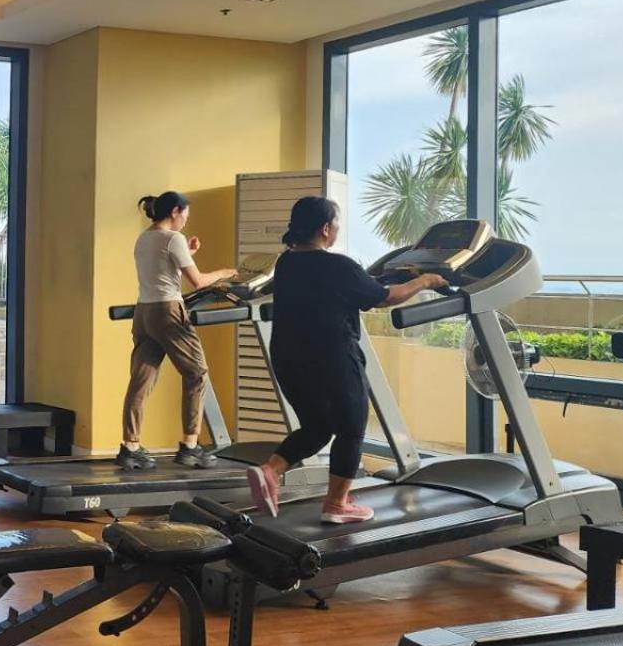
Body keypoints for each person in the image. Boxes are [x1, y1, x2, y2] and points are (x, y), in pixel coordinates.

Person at [245, 196, 446, 525]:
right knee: (352, 427)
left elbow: (351, 287)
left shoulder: (287, 263)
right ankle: (337, 504)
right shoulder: (338, 265)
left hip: (288, 356)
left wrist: (382, 280)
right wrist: (425, 280)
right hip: (331, 355)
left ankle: (270, 470)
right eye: (336, 223)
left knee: (318, 427)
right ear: (326, 228)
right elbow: (386, 297)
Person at [119, 192, 236, 472]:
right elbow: (198, 281)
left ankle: (130, 448)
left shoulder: (145, 238)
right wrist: (226, 272)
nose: (185, 221)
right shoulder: (173, 239)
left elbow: (161, 265)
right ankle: (190, 446)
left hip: (144, 312)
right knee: (197, 372)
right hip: (169, 312)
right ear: (175, 211)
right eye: (185, 215)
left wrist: (188, 253)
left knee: (141, 380)